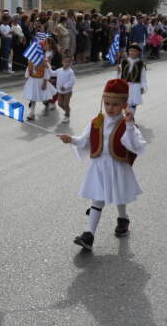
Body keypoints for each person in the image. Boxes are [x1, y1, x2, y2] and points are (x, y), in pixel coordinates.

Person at [58, 78, 146, 251]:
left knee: (120, 196)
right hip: (98, 167)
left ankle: (123, 219)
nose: (110, 107)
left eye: (115, 104)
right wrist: (71, 139)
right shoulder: (96, 121)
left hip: (117, 166)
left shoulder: (127, 125)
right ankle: (89, 235)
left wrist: (129, 125)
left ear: (124, 105)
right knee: (97, 200)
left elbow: (133, 145)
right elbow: (84, 141)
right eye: (107, 103)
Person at [23, 51, 57, 121]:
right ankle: (31, 113)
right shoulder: (31, 61)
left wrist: (44, 83)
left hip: (41, 81)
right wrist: (28, 71)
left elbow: (47, 72)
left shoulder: (44, 61)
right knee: (32, 97)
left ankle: (46, 105)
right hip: (33, 81)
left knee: (44, 97)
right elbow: (28, 72)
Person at [117, 43, 148, 112]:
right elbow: (119, 75)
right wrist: (118, 71)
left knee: (133, 103)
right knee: (124, 102)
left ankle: (131, 116)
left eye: (135, 51)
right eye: (131, 51)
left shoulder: (141, 64)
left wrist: (143, 86)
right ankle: (124, 116)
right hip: (125, 85)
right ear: (128, 51)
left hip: (135, 86)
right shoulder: (123, 62)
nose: (132, 53)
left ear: (138, 52)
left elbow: (143, 77)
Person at [54, 54, 76, 124]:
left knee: (66, 104)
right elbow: (52, 73)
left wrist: (65, 86)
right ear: (62, 62)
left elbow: (72, 81)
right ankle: (67, 110)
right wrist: (47, 69)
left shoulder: (70, 72)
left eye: (69, 62)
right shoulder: (59, 70)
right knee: (60, 103)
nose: (67, 63)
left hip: (67, 92)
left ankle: (67, 116)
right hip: (60, 91)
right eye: (65, 62)